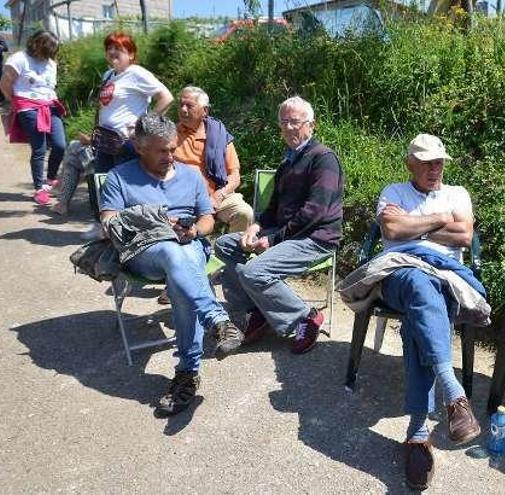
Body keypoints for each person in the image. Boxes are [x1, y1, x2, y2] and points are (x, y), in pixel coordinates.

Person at [99, 113, 242, 417]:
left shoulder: (190, 176)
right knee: (173, 253)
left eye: (173, 148)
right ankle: (217, 320)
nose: (171, 156)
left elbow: (207, 220)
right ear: (140, 147)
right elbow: (108, 223)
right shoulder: (120, 177)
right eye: (162, 150)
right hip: (144, 253)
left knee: (182, 267)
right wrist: (154, 219)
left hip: (189, 247)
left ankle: (188, 373)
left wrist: (193, 230)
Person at [373, 133, 482, 490]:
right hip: (399, 275)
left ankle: (418, 432)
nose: (434, 168)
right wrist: (440, 220)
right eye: (426, 162)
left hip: (447, 278)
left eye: (439, 162)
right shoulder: (393, 191)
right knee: (419, 285)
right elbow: (391, 228)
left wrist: (415, 226)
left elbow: (465, 235)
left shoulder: (458, 194)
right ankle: (454, 393)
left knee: (421, 315)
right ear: (410, 164)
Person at [213, 96, 343, 355]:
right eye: (284, 122)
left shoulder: (324, 159)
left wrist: (273, 240)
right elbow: (271, 210)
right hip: (288, 234)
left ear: (311, 125)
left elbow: (314, 212)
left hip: (316, 238)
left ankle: (305, 317)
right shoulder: (288, 162)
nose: (289, 127)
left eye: (295, 122)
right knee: (225, 244)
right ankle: (257, 310)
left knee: (253, 272)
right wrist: (256, 227)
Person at [77, 31, 173, 236]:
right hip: (105, 141)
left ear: (130, 53)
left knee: (128, 188)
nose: (112, 52)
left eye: (118, 49)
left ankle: (135, 231)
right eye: (109, 48)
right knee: (103, 184)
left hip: (125, 142)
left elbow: (166, 97)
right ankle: (105, 228)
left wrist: (142, 126)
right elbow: (104, 108)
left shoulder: (137, 73)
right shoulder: (109, 75)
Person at [174, 86, 253, 232]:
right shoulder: (170, 135)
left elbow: (234, 176)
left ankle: (233, 251)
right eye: (181, 105)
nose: (183, 110)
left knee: (244, 213)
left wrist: (219, 195)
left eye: (189, 106)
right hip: (182, 198)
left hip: (217, 194)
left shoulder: (219, 135)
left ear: (205, 111)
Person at [1, 30, 65, 205]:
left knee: (60, 145)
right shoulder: (19, 59)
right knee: (40, 148)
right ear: (37, 45)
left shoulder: (51, 63)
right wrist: (14, 103)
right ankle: (39, 188)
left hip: (50, 105)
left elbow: (50, 86)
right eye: (49, 49)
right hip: (27, 106)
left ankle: (51, 178)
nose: (51, 54)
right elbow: (5, 83)